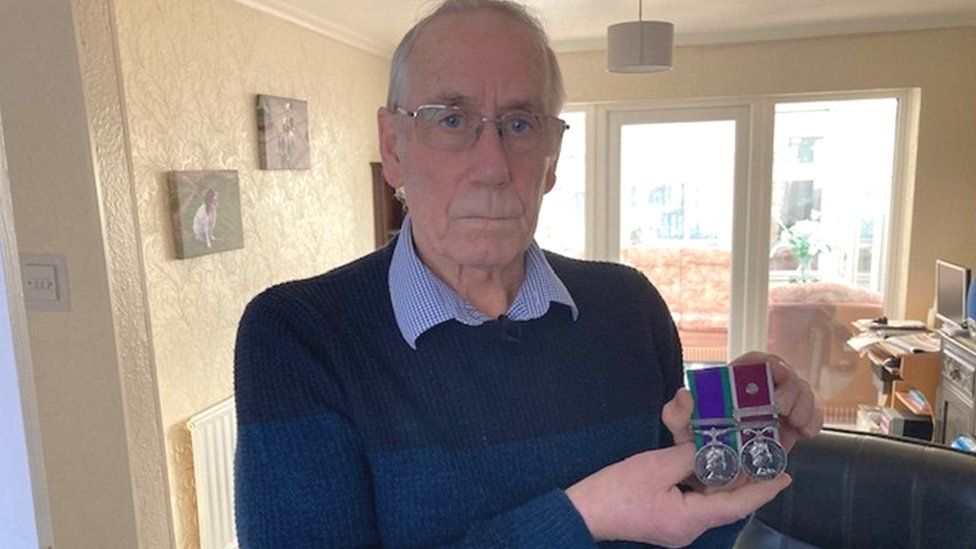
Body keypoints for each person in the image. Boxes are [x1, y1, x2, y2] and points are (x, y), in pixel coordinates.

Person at [233, 1, 823, 547]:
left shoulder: (630, 307)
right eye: (451, 119)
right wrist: (583, 516)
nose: (491, 167)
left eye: (519, 124)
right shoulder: (300, 336)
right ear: (394, 147)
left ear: (552, 159)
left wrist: (722, 475)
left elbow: (679, 533)